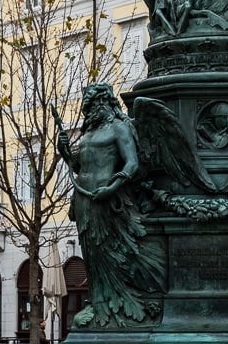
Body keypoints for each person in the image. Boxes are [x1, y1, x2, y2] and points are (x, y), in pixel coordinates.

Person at [56, 83, 165, 327]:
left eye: (99, 102)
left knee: (110, 252)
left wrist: (113, 187)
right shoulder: (88, 133)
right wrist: (65, 151)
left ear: (107, 102)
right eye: (91, 104)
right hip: (85, 199)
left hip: (108, 199)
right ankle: (98, 301)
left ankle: (117, 304)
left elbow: (132, 163)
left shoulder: (118, 128)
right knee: (91, 253)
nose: (95, 108)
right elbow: (79, 165)